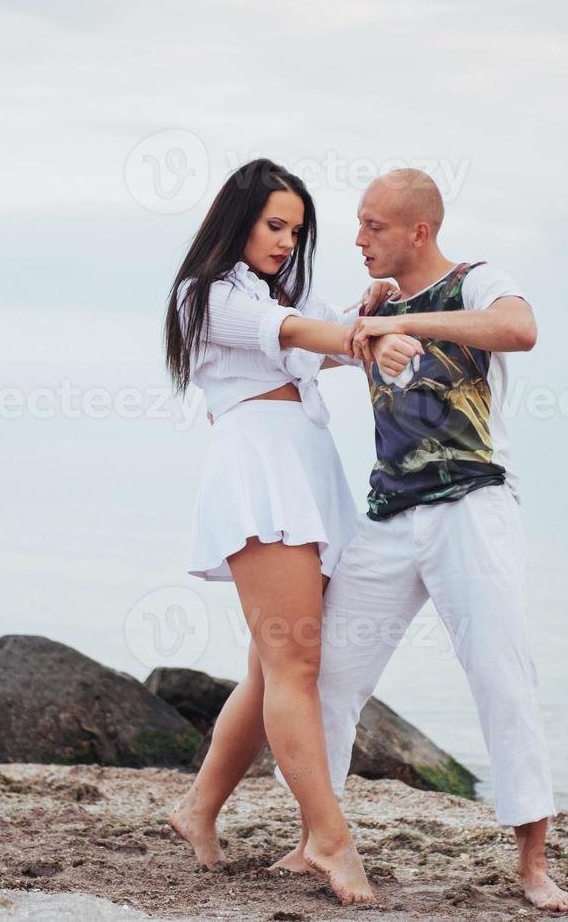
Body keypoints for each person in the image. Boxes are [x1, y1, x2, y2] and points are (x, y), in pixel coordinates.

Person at [308, 168, 568, 913]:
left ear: (418, 231)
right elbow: (305, 350)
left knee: (501, 677)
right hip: (388, 515)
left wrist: (407, 323)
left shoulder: (474, 279)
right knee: (328, 678)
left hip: (471, 507)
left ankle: (531, 863)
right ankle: (317, 836)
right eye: (358, 225)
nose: (358, 240)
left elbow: (519, 330)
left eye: (373, 227)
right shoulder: (372, 305)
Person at [161, 158, 419, 906]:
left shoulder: (274, 291)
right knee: (294, 668)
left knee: (271, 670)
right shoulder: (206, 296)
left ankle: (197, 809)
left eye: (296, 230)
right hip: (261, 475)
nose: (285, 241)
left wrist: (369, 310)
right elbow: (302, 332)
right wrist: (365, 334)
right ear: (235, 217)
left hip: (305, 469)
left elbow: (317, 329)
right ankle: (329, 839)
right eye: (275, 224)